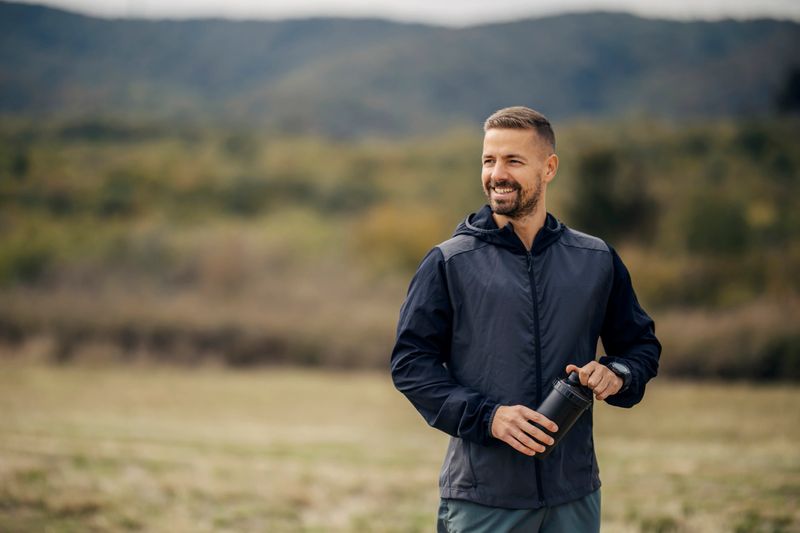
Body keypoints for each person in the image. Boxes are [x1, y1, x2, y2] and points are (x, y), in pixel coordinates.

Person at [390, 106, 661, 532]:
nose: (497, 173)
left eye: (513, 161)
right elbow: (410, 365)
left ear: (549, 167)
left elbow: (640, 347)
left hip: (575, 497)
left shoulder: (596, 259)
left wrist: (619, 374)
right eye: (488, 160)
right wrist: (488, 417)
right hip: (484, 499)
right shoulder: (449, 261)